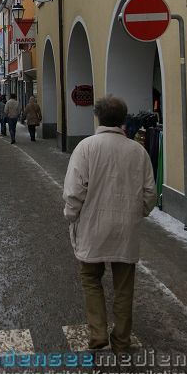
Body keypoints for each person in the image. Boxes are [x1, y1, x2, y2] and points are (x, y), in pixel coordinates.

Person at [62, 95, 156, 354]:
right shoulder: (138, 151)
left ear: (98, 117)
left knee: (91, 279)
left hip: (92, 227)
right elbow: (150, 193)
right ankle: (122, 340)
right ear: (123, 120)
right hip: (126, 229)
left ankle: (98, 333)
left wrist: (72, 215)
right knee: (124, 286)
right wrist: (137, 214)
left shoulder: (86, 147)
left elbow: (74, 190)